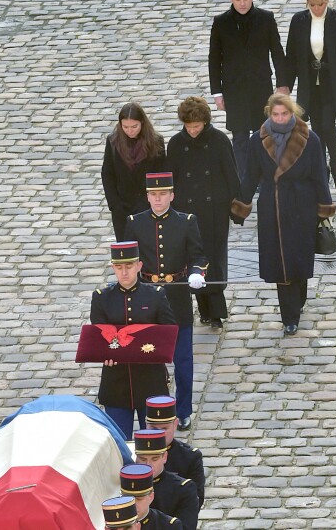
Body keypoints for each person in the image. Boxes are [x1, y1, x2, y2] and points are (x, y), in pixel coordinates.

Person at [231, 94, 336, 335]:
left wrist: (324, 208)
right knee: (281, 262)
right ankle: (289, 316)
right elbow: (250, 176)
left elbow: (320, 175)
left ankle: (297, 300)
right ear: (269, 114)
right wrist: (241, 206)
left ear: (293, 113)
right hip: (272, 207)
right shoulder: (258, 140)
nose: (279, 119)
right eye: (275, 115)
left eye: (284, 114)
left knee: (299, 258)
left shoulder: (310, 139)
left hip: (303, 206)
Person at [124, 173, 208, 431]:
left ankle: (183, 410)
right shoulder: (135, 223)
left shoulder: (186, 222)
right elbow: (127, 258)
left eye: (163, 194)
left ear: (172, 195)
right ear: (148, 196)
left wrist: (196, 272)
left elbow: (198, 254)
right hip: (147, 300)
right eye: (153, 195)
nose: (158, 199)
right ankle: (155, 407)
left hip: (177, 298)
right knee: (149, 359)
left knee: (182, 359)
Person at [90, 240, 177, 440]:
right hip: (116, 383)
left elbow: (169, 332)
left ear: (139, 266)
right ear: (113, 268)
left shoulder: (155, 295)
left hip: (150, 380)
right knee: (119, 445)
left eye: (129, 266)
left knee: (155, 442)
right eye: (119, 267)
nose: (124, 272)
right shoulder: (102, 298)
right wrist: (104, 354)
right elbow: (98, 334)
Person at [166, 96, 240, 329]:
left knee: (214, 260)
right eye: (189, 127)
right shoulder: (176, 144)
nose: (193, 131)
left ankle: (217, 311)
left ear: (205, 122)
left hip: (214, 210)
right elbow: (172, 178)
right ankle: (204, 308)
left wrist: (236, 207)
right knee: (192, 259)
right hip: (186, 212)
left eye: (196, 126)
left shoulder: (218, 140)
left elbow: (231, 175)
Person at [208, 0, 289, 177]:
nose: (242, 3)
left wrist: (283, 84)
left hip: (261, 86)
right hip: (233, 89)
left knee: (263, 134)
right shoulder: (221, 22)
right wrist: (217, 92)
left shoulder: (266, 18)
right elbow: (214, 58)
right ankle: (243, 178)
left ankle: (263, 176)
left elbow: (277, 51)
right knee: (239, 136)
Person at [286, 0, 336, 194]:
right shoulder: (298, 21)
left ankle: (335, 168)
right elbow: (292, 56)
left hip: (331, 85)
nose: (317, 9)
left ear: (327, 1)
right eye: (313, 5)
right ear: (307, 3)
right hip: (309, 85)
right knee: (316, 129)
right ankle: (322, 169)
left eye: (321, 4)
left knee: (327, 125)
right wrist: (285, 86)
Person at [102, 103, 167, 241]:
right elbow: (108, 174)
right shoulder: (113, 142)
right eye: (125, 127)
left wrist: (152, 201)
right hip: (122, 206)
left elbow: (161, 174)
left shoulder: (155, 142)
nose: (130, 131)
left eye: (134, 127)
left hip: (148, 205)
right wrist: (115, 204)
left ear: (142, 123)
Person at [146, 395, 205, 508]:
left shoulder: (190, 457)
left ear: (175, 424)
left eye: (164, 428)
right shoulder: (134, 456)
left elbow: (196, 501)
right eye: (153, 428)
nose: (159, 434)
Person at [134, 429, 199, 530]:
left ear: (164, 457)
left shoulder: (183, 489)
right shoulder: (126, 487)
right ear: (136, 458)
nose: (148, 465)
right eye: (143, 459)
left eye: (154, 459)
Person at [120, 463, 183, 529]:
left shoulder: (169, 526)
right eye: (128, 499)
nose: (133, 504)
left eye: (139, 499)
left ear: (151, 497)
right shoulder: (111, 524)